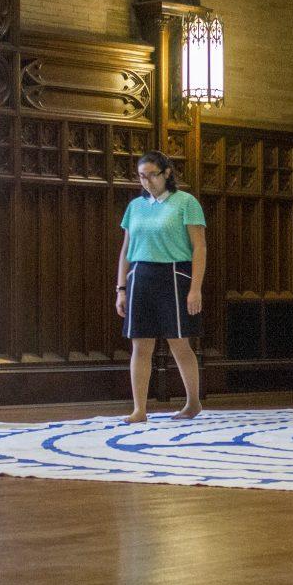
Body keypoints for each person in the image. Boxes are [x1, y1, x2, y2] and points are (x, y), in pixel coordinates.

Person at [115, 150, 205, 423]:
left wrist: (195, 288)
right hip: (140, 275)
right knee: (140, 345)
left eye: (152, 175)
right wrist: (121, 288)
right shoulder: (135, 207)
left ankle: (192, 403)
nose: (147, 181)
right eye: (142, 176)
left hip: (175, 273)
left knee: (179, 343)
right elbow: (126, 249)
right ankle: (139, 409)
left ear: (167, 173)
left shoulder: (186, 202)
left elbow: (199, 247)